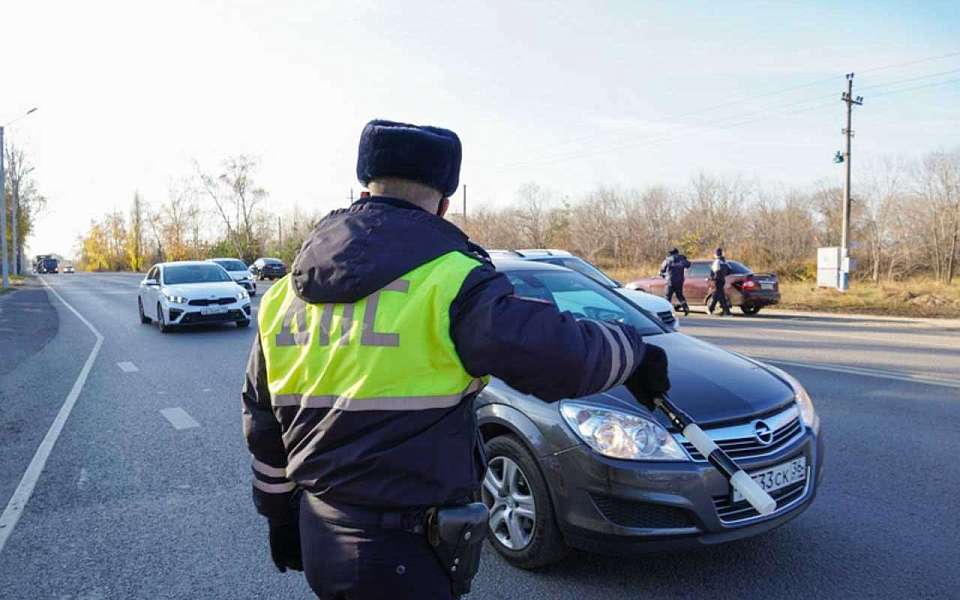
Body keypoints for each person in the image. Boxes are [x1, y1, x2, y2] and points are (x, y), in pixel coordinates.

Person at [241, 119, 670, 600]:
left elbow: (263, 423)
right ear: (444, 204)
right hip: (407, 553)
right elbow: (562, 357)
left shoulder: (282, 298)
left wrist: (278, 516)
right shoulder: (454, 280)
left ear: (363, 191)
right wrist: (633, 350)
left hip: (321, 534)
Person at [659, 247, 690, 316]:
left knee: (667, 296)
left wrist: (662, 274)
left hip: (670, 281)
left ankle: (666, 311)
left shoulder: (667, 260)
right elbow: (688, 265)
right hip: (679, 281)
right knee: (680, 295)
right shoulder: (682, 259)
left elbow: (662, 270)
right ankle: (686, 308)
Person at [708, 247, 733, 316]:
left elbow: (713, 272)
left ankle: (726, 312)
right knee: (718, 295)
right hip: (722, 280)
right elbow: (730, 271)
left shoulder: (716, 261)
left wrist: (712, 278)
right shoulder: (725, 262)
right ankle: (712, 309)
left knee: (720, 295)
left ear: (716, 254)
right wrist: (724, 275)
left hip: (717, 280)